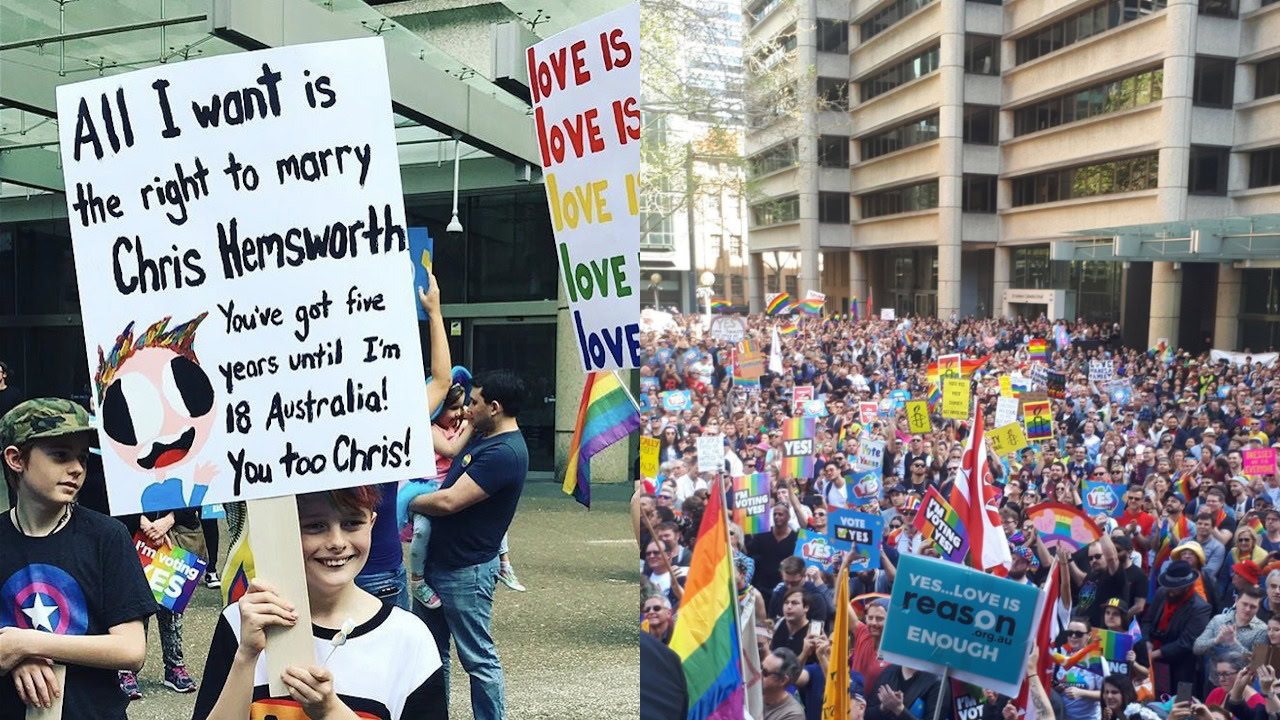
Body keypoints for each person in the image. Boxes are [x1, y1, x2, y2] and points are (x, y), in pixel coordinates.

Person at [192, 486, 445, 719]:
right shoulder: (242, 623)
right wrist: (246, 657)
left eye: (352, 523)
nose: (336, 542)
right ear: (286, 530)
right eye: (315, 526)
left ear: (372, 523)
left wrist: (330, 711)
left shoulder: (409, 639)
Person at [0, 398, 153, 718]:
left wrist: (27, 644)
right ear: (16, 459)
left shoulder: (107, 536)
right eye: (60, 455)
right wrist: (14, 656)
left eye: (82, 457)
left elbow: (131, 649)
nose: (77, 468)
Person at [409, 369, 529, 720]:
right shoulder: (483, 433)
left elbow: (448, 502)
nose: (466, 409)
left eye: (474, 403)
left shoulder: (505, 452)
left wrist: (405, 501)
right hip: (439, 565)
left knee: (477, 660)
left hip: (467, 572)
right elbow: (445, 444)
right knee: (432, 656)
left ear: (494, 407)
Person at [1144, 560, 1214, 695]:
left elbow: (1187, 642)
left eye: (1174, 587)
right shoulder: (1161, 593)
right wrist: (1147, 641)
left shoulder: (1201, 608)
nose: (1170, 590)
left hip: (1183, 669)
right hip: (1154, 662)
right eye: (1168, 585)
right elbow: (1147, 620)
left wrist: (1156, 654)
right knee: (1154, 700)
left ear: (1186, 586)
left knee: (1183, 705)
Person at [1193, 586, 1267, 669]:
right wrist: (1216, 640)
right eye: (1244, 604)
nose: (1247, 609)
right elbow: (1196, 648)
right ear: (1236, 601)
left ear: (1258, 608)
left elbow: (1258, 664)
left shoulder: (1262, 630)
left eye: (1253, 607)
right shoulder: (1218, 620)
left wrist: (1234, 643)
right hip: (1213, 678)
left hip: (1242, 679)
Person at [1055, 617, 1104, 720]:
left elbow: (1106, 694)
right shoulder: (1058, 653)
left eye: (1079, 634)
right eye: (1070, 632)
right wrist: (1054, 688)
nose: (1073, 636)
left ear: (1089, 636)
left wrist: (1081, 693)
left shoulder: (1096, 659)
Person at [866, 662, 949, 720]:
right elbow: (866, 714)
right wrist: (883, 708)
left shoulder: (937, 682)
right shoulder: (889, 671)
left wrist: (899, 710)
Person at [762, 647, 806, 720]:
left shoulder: (793, 714)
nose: (758, 674)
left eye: (765, 673)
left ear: (782, 680)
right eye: (760, 667)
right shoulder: (750, 694)